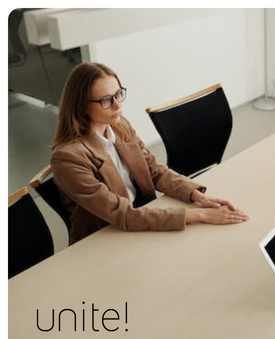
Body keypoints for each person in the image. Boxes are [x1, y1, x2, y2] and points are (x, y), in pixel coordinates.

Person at [51, 62, 248, 245]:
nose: (118, 105)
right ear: (82, 106)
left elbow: (154, 170)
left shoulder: (120, 126)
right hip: (106, 238)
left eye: (118, 94)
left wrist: (195, 195)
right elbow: (123, 215)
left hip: (142, 216)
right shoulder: (68, 158)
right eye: (106, 100)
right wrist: (199, 215)